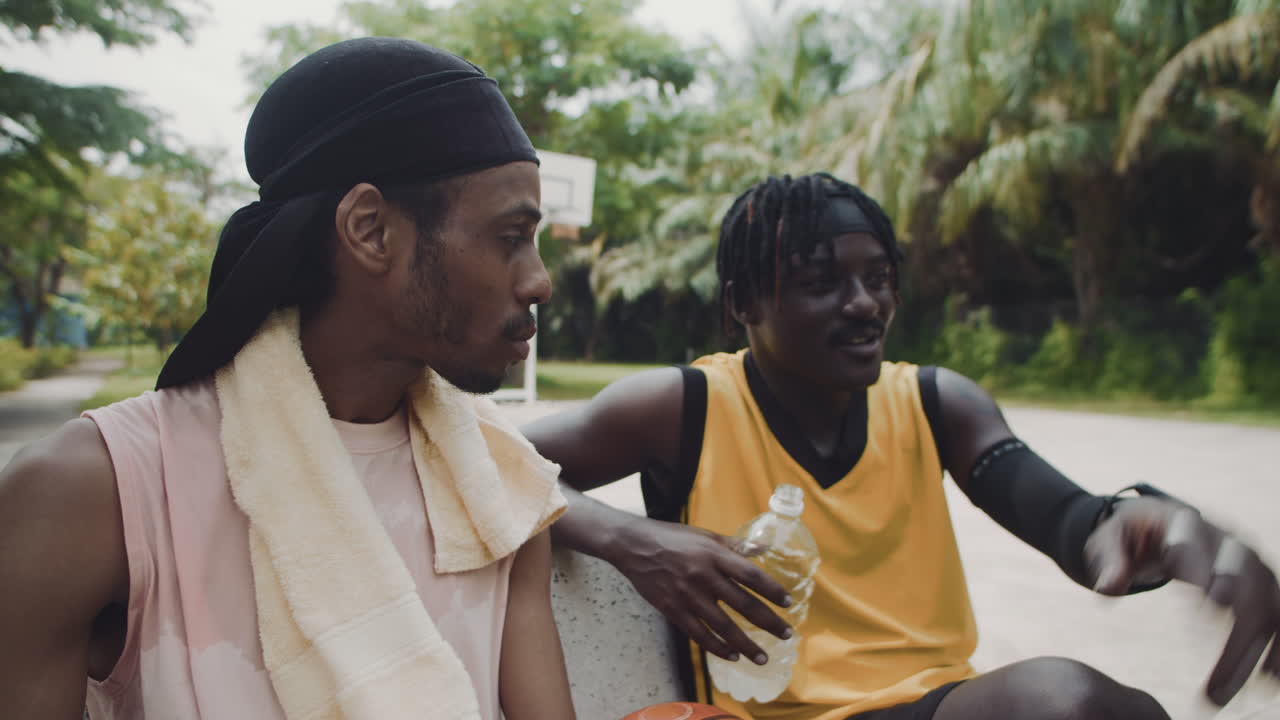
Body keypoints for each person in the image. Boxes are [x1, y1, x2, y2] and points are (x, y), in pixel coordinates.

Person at [525, 172, 1280, 720]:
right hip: (772, 717)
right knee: (1066, 701)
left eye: (879, 278)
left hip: (935, 705)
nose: (864, 305)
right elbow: (487, 455)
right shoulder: (683, 406)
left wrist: (1131, 526)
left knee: (1112, 711)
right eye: (823, 283)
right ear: (744, 304)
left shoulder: (934, 403)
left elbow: (1070, 521)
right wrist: (632, 540)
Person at [0, 38, 575, 720]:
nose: (539, 281)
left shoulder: (499, 485)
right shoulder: (94, 490)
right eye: (511, 237)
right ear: (370, 230)